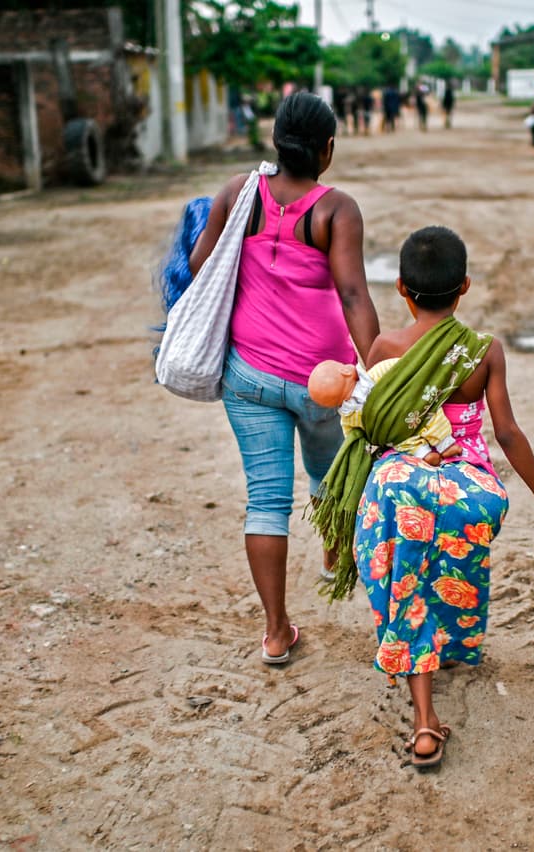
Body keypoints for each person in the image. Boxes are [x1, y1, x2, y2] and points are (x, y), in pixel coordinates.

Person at [311, 226, 534, 768]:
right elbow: (506, 433)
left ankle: (425, 721)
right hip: (467, 492)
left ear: (403, 290)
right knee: (451, 570)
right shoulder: (483, 352)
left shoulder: (386, 348)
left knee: (406, 585)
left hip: (399, 488)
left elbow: (371, 426)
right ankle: (450, 647)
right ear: (466, 286)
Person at [189, 92, 380, 666]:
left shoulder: (238, 193)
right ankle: (334, 555)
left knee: (265, 502)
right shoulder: (335, 209)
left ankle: (275, 633)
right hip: (323, 381)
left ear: (275, 142)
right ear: (327, 149)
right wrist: (380, 369)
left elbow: (201, 265)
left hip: (248, 376)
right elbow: (353, 294)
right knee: (330, 474)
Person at [307, 359, 462, 466]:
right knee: (430, 416)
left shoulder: (349, 417)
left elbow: (352, 438)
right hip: (411, 410)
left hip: (395, 434)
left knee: (405, 443)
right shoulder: (376, 373)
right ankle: (445, 444)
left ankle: (424, 454)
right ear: (347, 370)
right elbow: (402, 366)